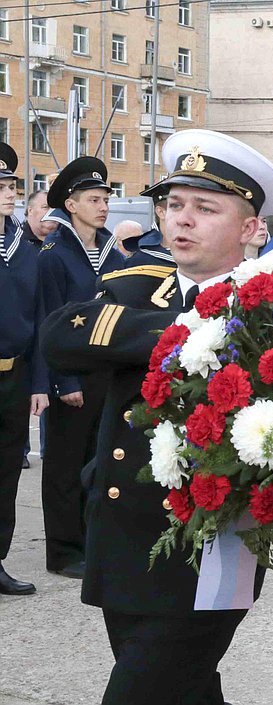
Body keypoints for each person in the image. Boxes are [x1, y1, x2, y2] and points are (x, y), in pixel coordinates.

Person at [40, 129, 273, 704]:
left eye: (205, 208)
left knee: (144, 689)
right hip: (122, 533)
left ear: (251, 230)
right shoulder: (135, 286)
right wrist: (192, 332)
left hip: (210, 544)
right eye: (174, 205)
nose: (183, 219)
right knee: (186, 689)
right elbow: (60, 338)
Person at [34, 156, 126, 579]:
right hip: (70, 376)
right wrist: (63, 379)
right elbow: (49, 321)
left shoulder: (110, 250)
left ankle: (93, 542)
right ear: (71, 205)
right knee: (65, 466)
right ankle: (64, 551)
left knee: (99, 461)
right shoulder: (55, 253)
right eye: (94, 199)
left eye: (106, 198)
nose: (103, 206)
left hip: (105, 372)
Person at [0, 142, 43, 596]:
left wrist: (38, 381)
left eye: (11, 184)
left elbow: (39, 319)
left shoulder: (26, 247)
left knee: (7, 471)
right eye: (2, 187)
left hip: (14, 374)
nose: (9, 193)